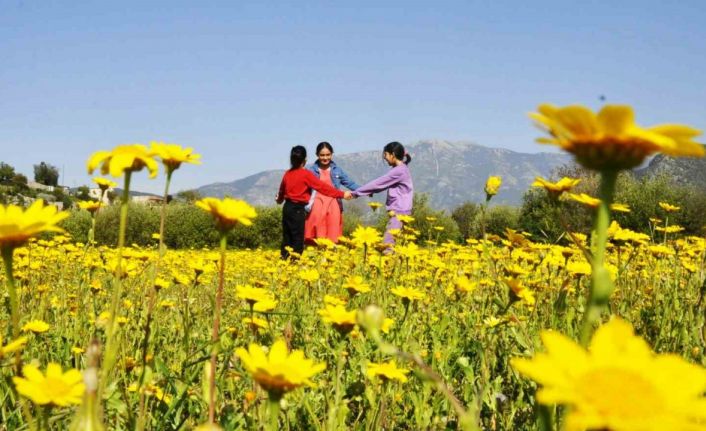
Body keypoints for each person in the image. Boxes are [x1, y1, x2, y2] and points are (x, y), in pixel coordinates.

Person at [276, 145, 352, 259]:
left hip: (287, 208)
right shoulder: (306, 174)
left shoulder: (287, 173)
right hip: (298, 210)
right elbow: (323, 187)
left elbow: (281, 192)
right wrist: (342, 194)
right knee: (298, 239)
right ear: (305, 159)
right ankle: (294, 263)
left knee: (287, 237)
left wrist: (279, 199)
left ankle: (283, 260)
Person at [351, 142, 413, 250]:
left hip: (399, 212)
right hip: (403, 211)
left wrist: (356, 193)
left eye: (386, 156)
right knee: (397, 244)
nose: (385, 159)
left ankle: (386, 265)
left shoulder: (398, 171)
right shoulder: (402, 168)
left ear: (392, 154)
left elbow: (378, 184)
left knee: (388, 244)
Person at [304, 142, 360, 244]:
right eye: (322, 155)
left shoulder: (337, 170)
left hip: (333, 204)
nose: (325, 158)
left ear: (332, 154)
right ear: (317, 155)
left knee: (332, 234)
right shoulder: (311, 171)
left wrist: (364, 190)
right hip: (317, 205)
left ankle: (330, 258)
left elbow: (350, 183)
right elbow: (303, 187)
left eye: (328, 155)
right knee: (317, 237)